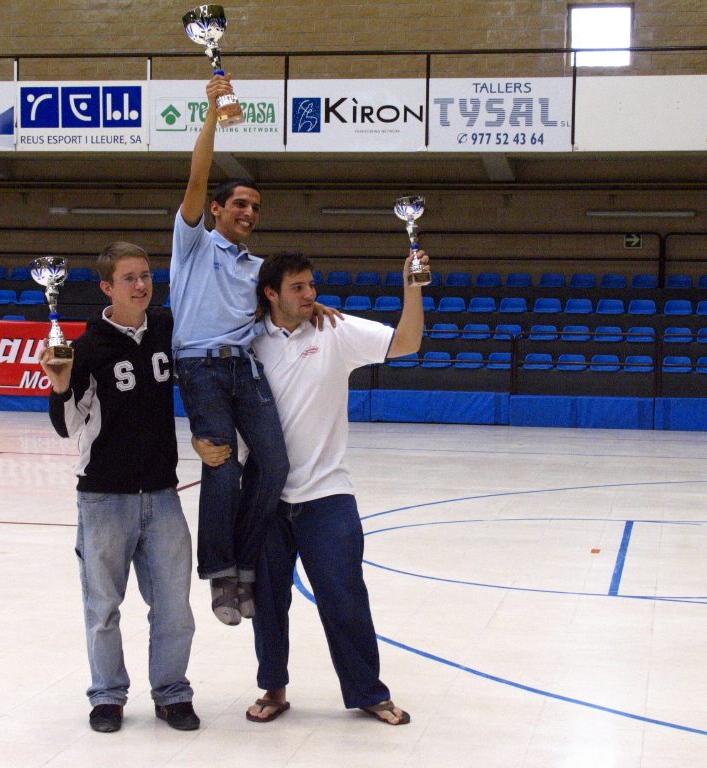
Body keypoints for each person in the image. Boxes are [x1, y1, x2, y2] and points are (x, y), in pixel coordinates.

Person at [197, 249, 428, 726]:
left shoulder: (334, 330)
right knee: (268, 602)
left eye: (311, 286)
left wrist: (412, 286)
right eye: (298, 288)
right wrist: (205, 437)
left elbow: (407, 342)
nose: (310, 295)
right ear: (271, 293)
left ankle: (368, 692)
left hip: (328, 495)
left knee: (345, 597)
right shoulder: (247, 343)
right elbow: (211, 388)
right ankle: (273, 688)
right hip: (265, 496)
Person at [39, 242, 226, 734]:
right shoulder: (87, 348)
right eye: (130, 278)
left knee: (174, 607)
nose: (142, 285)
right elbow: (68, 426)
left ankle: (172, 692)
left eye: (146, 276)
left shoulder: (166, 328)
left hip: (163, 495)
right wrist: (60, 385)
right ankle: (106, 695)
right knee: (103, 607)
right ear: (107, 287)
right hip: (104, 498)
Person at [169, 72, 291, 627]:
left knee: (275, 463)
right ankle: (221, 572)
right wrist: (213, 114)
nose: (249, 212)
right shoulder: (193, 244)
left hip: (247, 371)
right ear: (216, 210)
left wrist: (314, 306)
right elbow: (198, 177)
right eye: (240, 203)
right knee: (221, 466)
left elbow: (283, 305)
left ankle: (245, 561)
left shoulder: (258, 268)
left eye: (256, 207)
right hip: (200, 367)